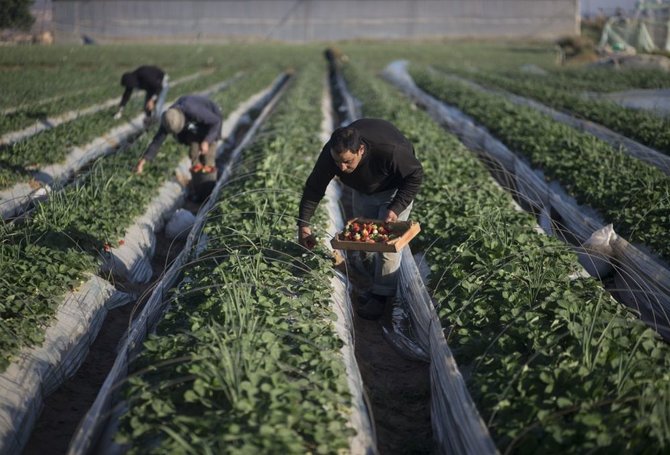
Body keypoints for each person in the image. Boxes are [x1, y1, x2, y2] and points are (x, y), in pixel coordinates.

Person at [297, 118, 423, 320]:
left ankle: (381, 298)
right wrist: (304, 225)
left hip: (394, 190)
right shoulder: (331, 155)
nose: (342, 168)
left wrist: (396, 207)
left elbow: (415, 174)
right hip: (362, 190)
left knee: (387, 244)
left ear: (361, 150)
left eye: (348, 161)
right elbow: (314, 188)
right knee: (362, 240)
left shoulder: (390, 150)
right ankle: (370, 285)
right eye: (338, 162)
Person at [135, 94, 222, 175]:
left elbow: (215, 122)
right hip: (194, 126)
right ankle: (197, 175)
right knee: (194, 152)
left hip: (211, 122)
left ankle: (209, 176)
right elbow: (157, 141)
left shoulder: (193, 110)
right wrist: (143, 161)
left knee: (208, 155)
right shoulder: (168, 119)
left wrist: (207, 141)